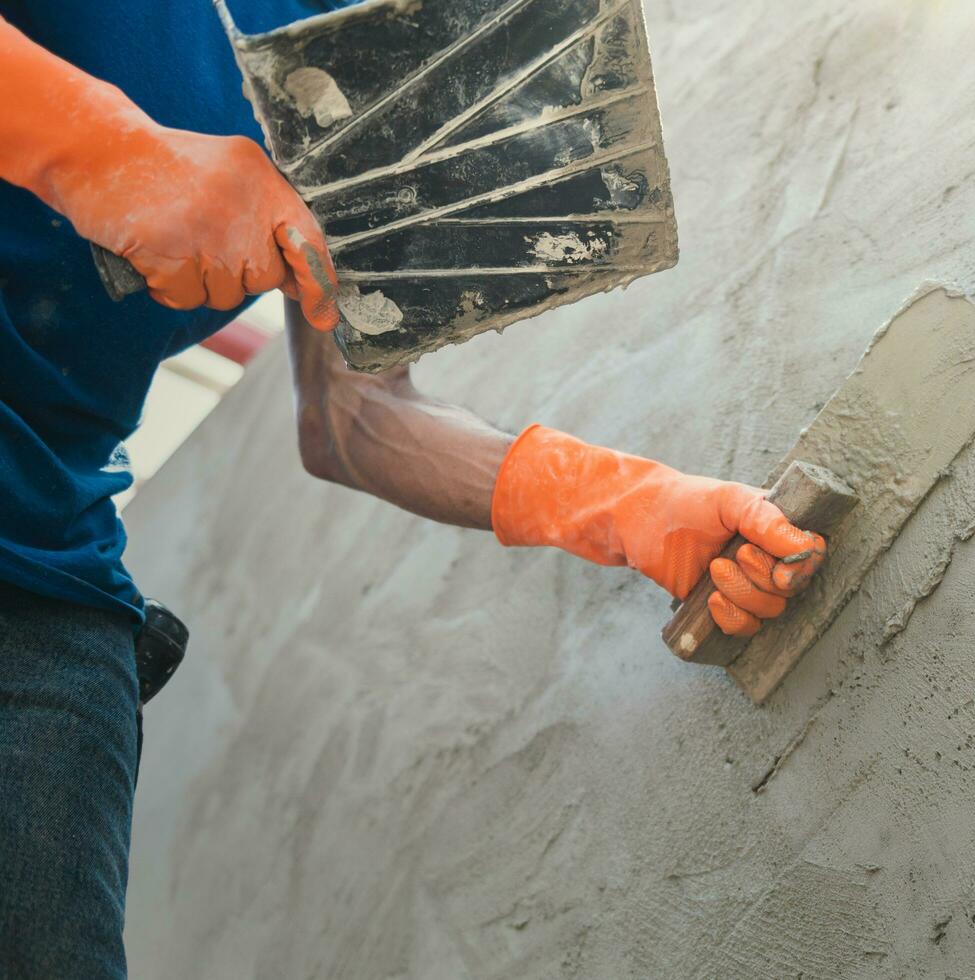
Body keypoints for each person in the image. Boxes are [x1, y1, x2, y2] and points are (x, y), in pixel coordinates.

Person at [0, 2, 826, 975]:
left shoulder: (390, 34)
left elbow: (358, 421)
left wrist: (623, 501)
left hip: (47, 582)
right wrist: (101, 150)